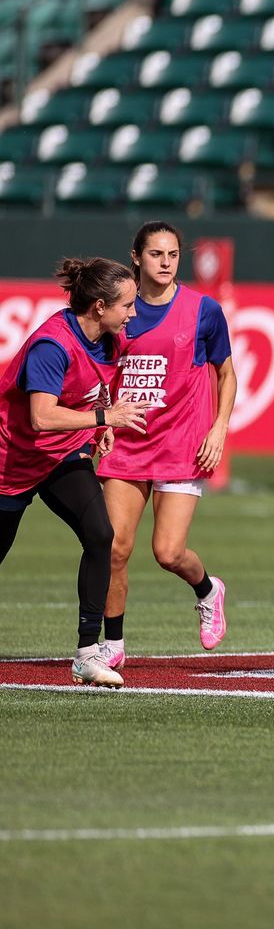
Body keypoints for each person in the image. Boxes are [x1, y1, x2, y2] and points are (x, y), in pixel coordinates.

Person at [0, 258, 148, 687]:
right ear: (99, 306)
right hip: (14, 459)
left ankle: (87, 653)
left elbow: (92, 392)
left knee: (101, 534)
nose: (133, 313)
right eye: (127, 305)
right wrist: (105, 416)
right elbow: (42, 417)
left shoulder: (111, 341)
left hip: (62, 456)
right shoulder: (53, 344)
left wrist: (98, 427)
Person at [97, 221, 236, 668]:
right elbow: (102, 373)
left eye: (173, 255)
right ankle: (113, 644)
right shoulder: (120, 311)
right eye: (156, 254)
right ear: (136, 257)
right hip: (128, 444)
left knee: (168, 553)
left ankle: (208, 590)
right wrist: (101, 418)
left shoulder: (204, 310)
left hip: (182, 443)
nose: (165, 263)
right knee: (115, 546)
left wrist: (218, 429)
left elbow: (226, 373)